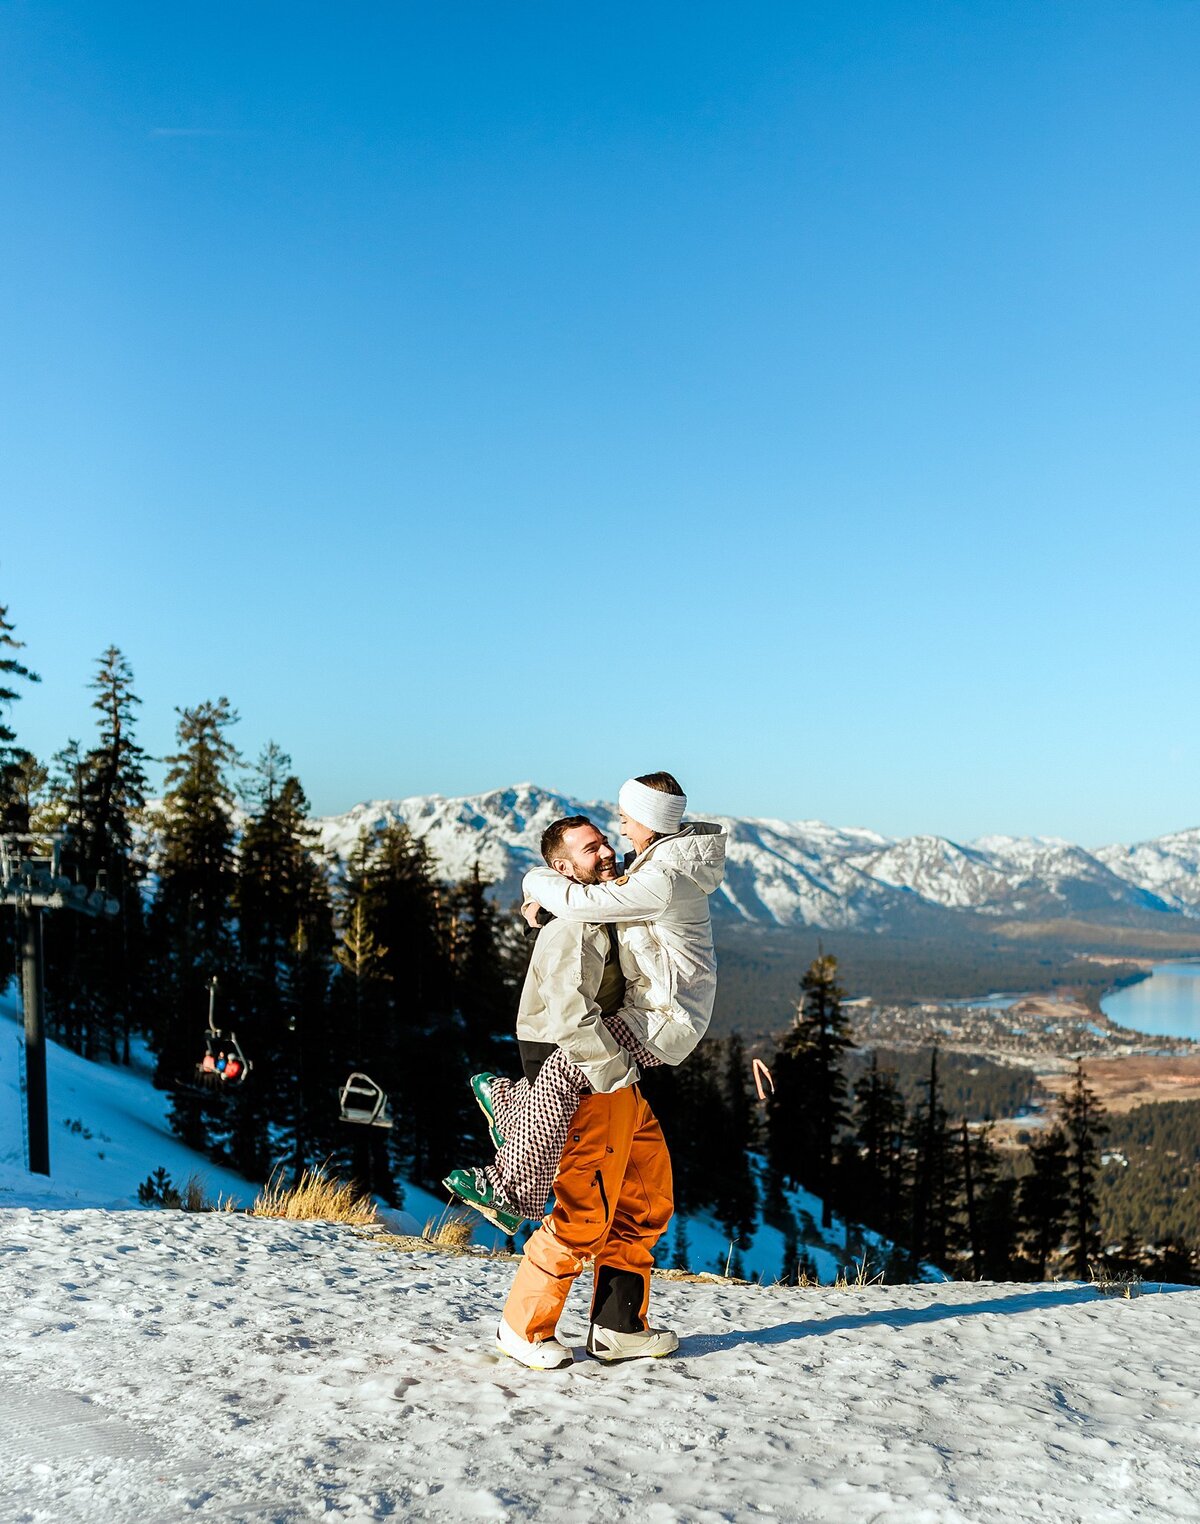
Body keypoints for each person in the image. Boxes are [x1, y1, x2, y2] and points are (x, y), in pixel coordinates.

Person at [446, 813, 677, 1368]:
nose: (606, 853)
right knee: (587, 1207)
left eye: (605, 843)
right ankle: (523, 1327)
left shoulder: (591, 908)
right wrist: (613, 1071)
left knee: (645, 1195)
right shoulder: (573, 925)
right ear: (562, 868)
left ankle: (619, 1326)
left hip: (612, 1068)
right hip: (582, 1067)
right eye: (591, 849)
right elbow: (570, 1016)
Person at [445, 772, 725, 1229]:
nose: (618, 836)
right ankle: (514, 1107)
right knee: (571, 1073)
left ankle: (512, 1187)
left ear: (648, 820)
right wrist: (544, 908)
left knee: (566, 1069)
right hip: (653, 1011)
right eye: (596, 843)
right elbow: (591, 903)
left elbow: (589, 905)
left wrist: (536, 881)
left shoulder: (663, 876)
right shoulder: (658, 862)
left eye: (623, 820)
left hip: (666, 1017)